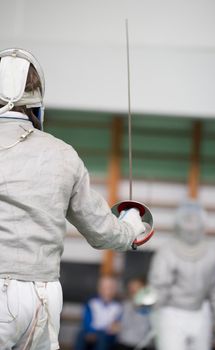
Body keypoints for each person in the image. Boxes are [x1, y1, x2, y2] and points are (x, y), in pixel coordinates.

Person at [0, 48, 146, 350]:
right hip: (43, 297)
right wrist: (131, 227)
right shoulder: (62, 154)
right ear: (37, 100)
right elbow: (102, 232)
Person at [148, 200, 215, 350]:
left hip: (200, 313)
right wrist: (154, 318)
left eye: (194, 220)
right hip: (171, 315)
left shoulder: (211, 254)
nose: (190, 226)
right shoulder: (166, 252)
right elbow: (158, 290)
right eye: (187, 220)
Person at [75, 275, 122, 350]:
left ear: (114, 290)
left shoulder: (118, 306)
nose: (106, 291)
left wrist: (113, 328)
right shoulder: (92, 302)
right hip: (91, 330)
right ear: (99, 289)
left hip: (107, 333)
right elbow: (86, 320)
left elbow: (117, 324)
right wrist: (91, 331)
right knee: (80, 335)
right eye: (103, 288)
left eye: (110, 288)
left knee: (103, 338)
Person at [115, 277, 153, 350]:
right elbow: (118, 325)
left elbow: (143, 330)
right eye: (131, 288)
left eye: (136, 287)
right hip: (123, 344)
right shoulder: (125, 305)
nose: (133, 290)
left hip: (141, 345)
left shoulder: (149, 307)